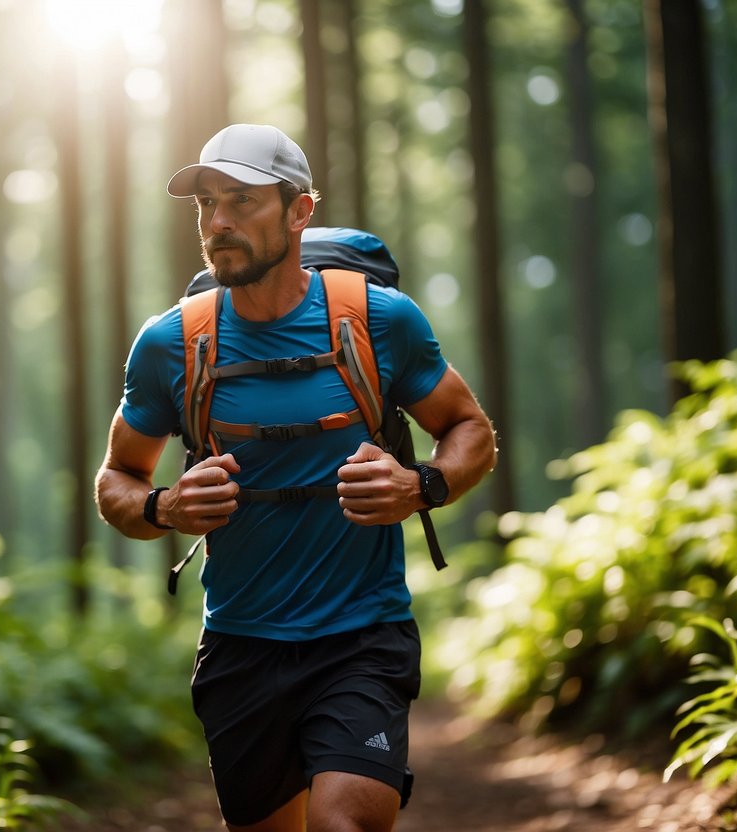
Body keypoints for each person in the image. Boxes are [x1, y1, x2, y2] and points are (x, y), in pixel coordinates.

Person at [94, 123, 497, 832]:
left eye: (242, 201)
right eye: (206, 204)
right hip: (240, 645)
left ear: (299, 211)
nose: (218, 222)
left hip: (361, 637)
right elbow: (116, 480)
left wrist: (421, 485)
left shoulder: (377, 322)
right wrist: (164, 507)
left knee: (343, 824)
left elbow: (469, 430)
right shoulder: (171, 344)